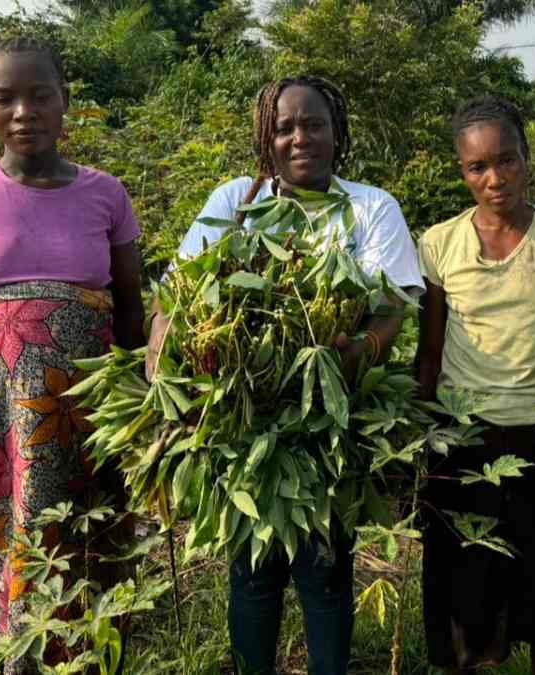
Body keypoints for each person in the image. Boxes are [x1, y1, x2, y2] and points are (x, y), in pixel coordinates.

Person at [148, 75, 423, 675]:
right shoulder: (235, 201)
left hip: (330, 419)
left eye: (314, 124)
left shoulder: (370, 207)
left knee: (325, 570)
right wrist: (162, 368)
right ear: (265, 138)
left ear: (336, 132)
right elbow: (176, 293)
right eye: (284, 127)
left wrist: (353, 354)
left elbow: (393, 307)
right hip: (244, 421)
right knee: (252, 574)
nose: (300, 138)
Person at [0, 37, 145, 671]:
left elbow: (131, 315)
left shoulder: (106, 195)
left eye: (40, 95)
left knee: (90, 555)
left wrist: (144, 425)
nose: (24, 112)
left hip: (89, 425)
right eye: (4, 98)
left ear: (64, 100)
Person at [415, 95, 535, 674]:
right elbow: (430, 353)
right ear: (462, 172)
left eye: (506, 160)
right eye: (477, 167)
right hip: (462, 439)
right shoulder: (440, 243)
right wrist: (417, 446)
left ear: (526, 156)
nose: (495, 179)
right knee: (462, 581)